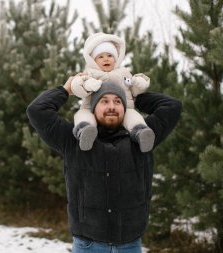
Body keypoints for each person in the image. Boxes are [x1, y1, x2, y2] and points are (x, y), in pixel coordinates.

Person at [26, 77, 182, 253]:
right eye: (104, 101)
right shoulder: (72, 140)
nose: (112, 107)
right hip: (88, 246)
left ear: (125, 107)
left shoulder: (143, 137)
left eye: (117, 101)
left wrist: (132, 96)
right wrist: (65, 90)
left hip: (130, 245)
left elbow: (172, 106)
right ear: (93, 107)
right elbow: (37, 110)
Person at [70, 32, 154, 152]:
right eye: (100, 56)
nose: (106, 59)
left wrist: (138, 83)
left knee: (134, 117)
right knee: (82, 115)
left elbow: (133, 89)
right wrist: (88, 85)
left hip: (125, 108)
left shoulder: (123, 73)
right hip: (90, 108)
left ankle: (141, 133)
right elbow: (77, 86)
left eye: (109, 55)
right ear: (93, 60)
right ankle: (85, 131)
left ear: (116, 58)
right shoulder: (90, 73)